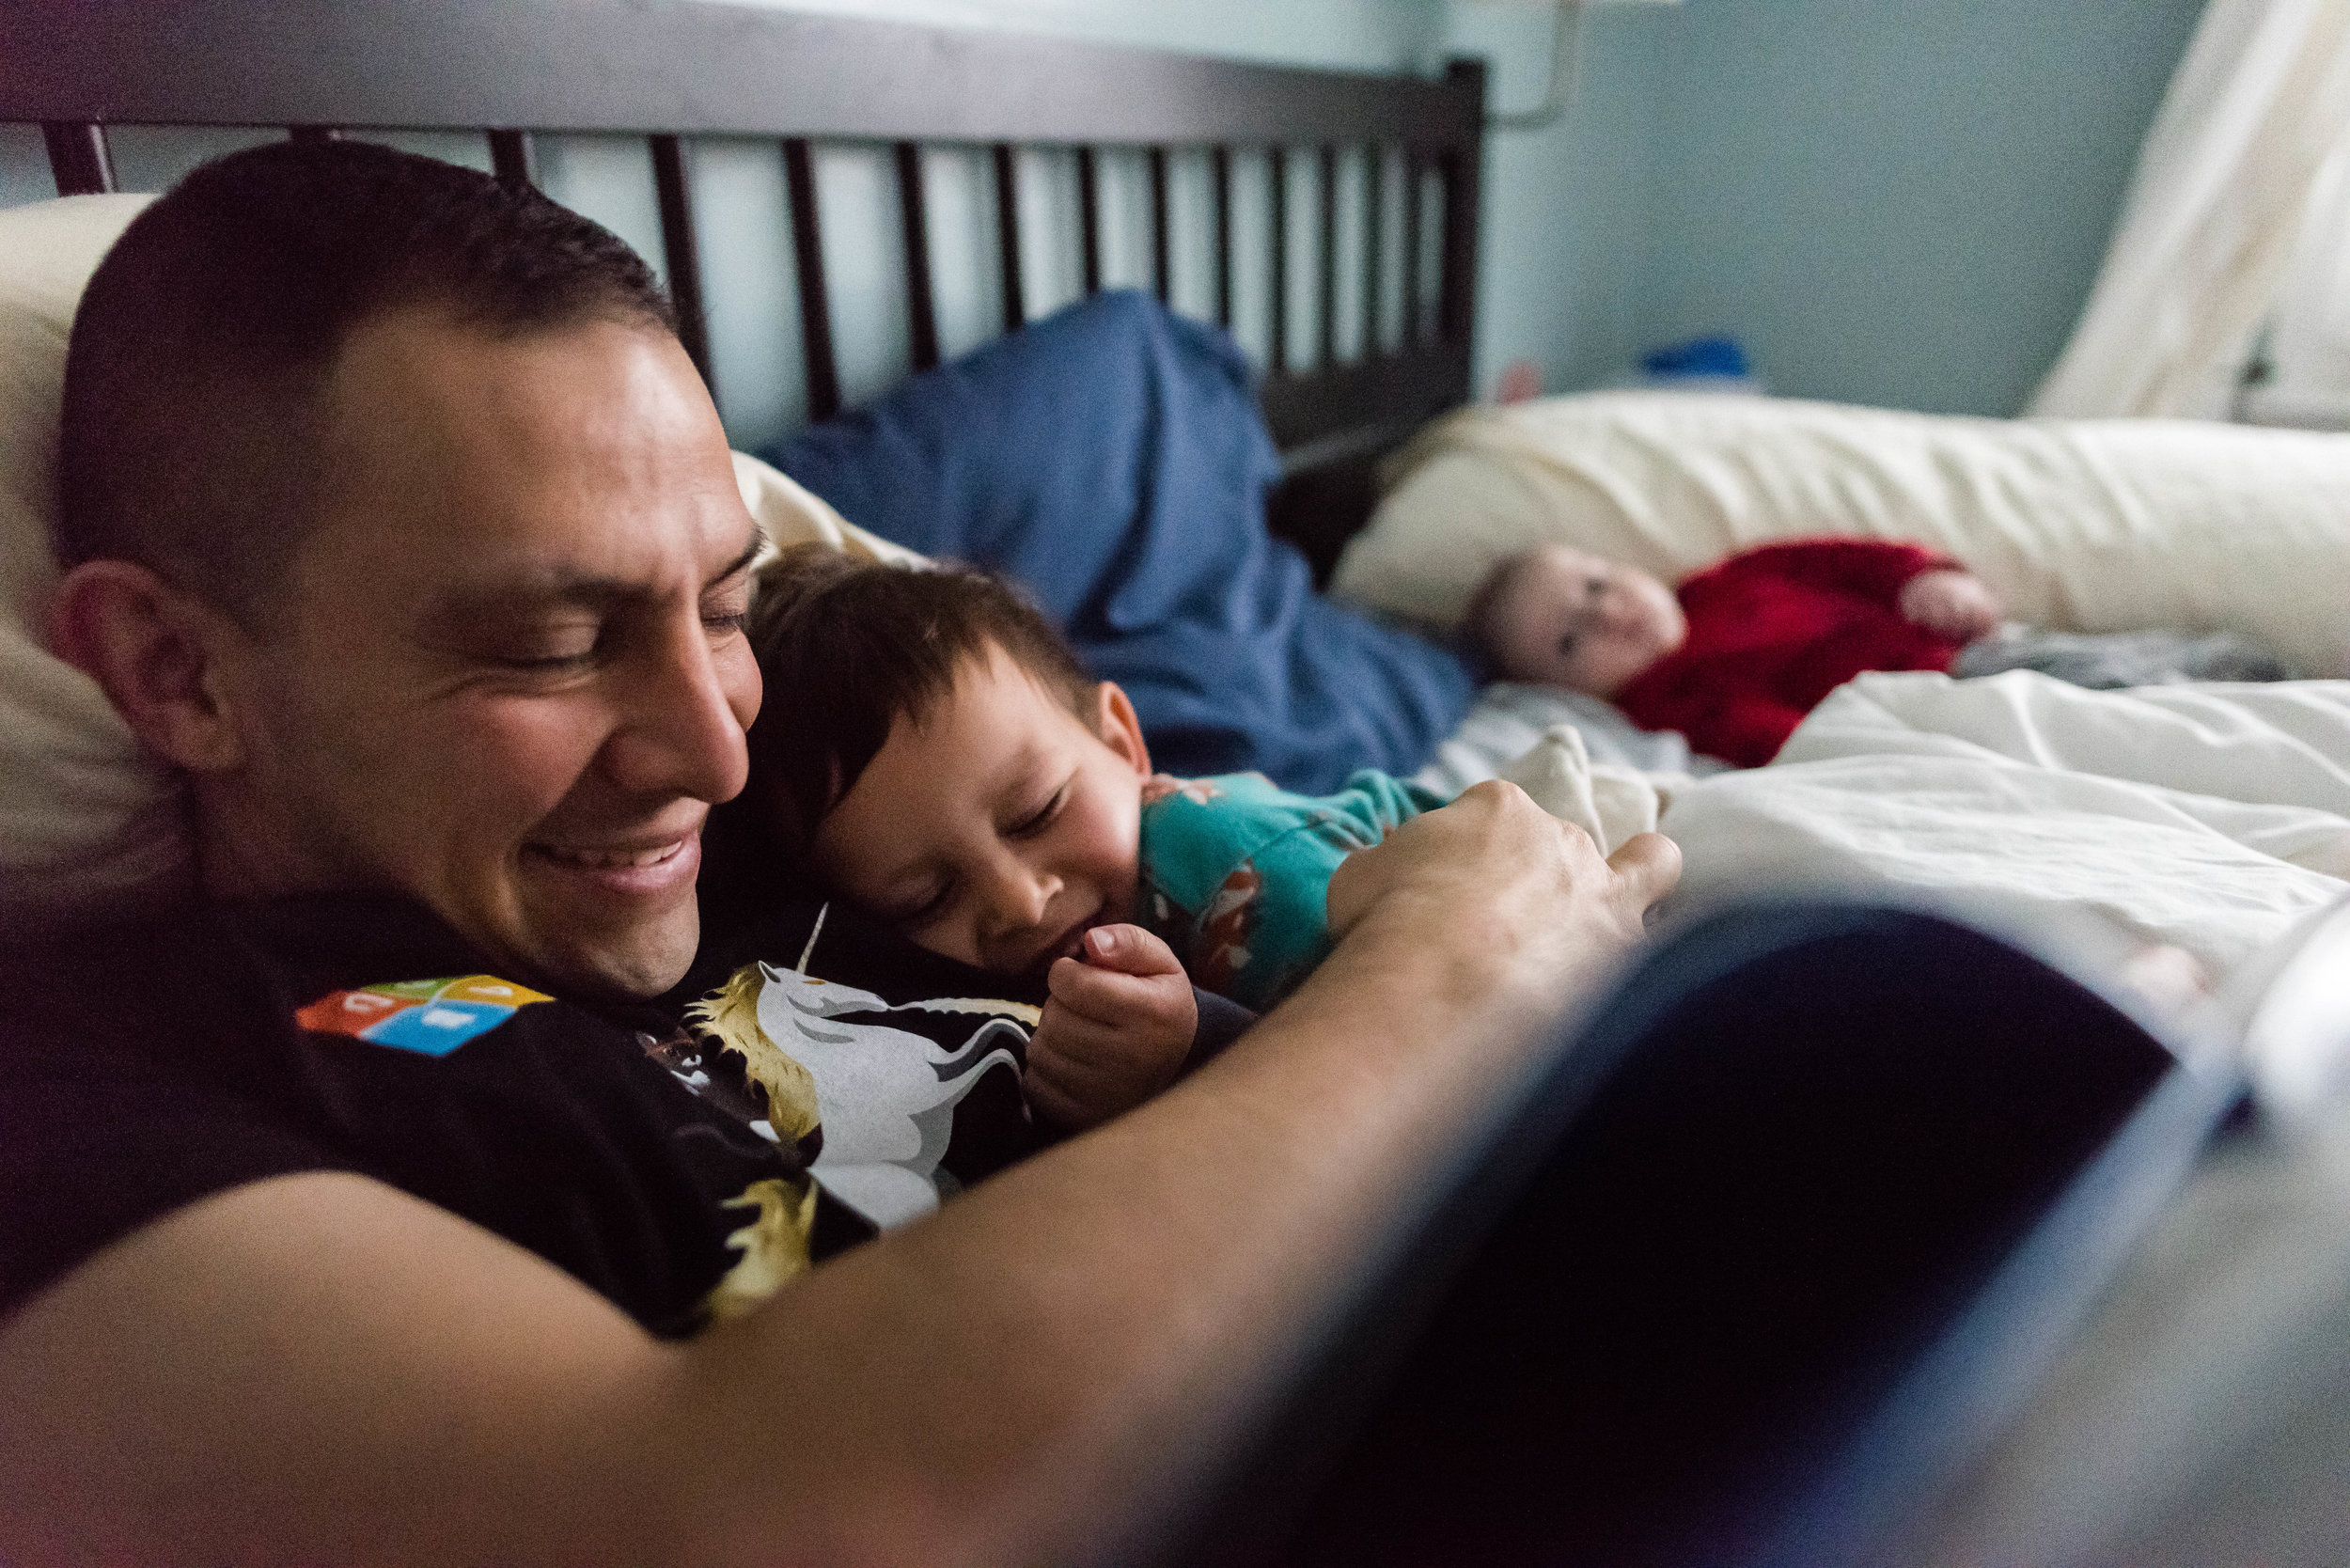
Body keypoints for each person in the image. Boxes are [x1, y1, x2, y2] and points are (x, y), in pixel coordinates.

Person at [0, 140, 1681, 1562]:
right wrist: (1461, 970)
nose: (712, 748)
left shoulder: (778, 819)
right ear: (178, 672)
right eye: (551, 640)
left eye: (721, 606)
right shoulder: (85, 1087)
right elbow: (741, 1517)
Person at [734, 550, 1449, 1130]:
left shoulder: (1237, 865)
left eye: (1037, 812)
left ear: (1122, 742)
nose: (1020, 901)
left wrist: (1196, 1044)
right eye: (926, 898)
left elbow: (1419, 1042)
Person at [1471, 537, 2288, 767]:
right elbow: (1776, 740)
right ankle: (2226, 709)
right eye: (1572, 642)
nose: (1609, 616)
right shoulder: (1667, 702)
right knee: (2109, 706)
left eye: (1597, 583)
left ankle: (2242, 673)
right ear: (1570, 692)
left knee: (2125, 658)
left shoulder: (1726, 579)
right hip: (1935, 702)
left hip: (1973, 646)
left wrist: (1924, 580)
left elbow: (1847, 560)